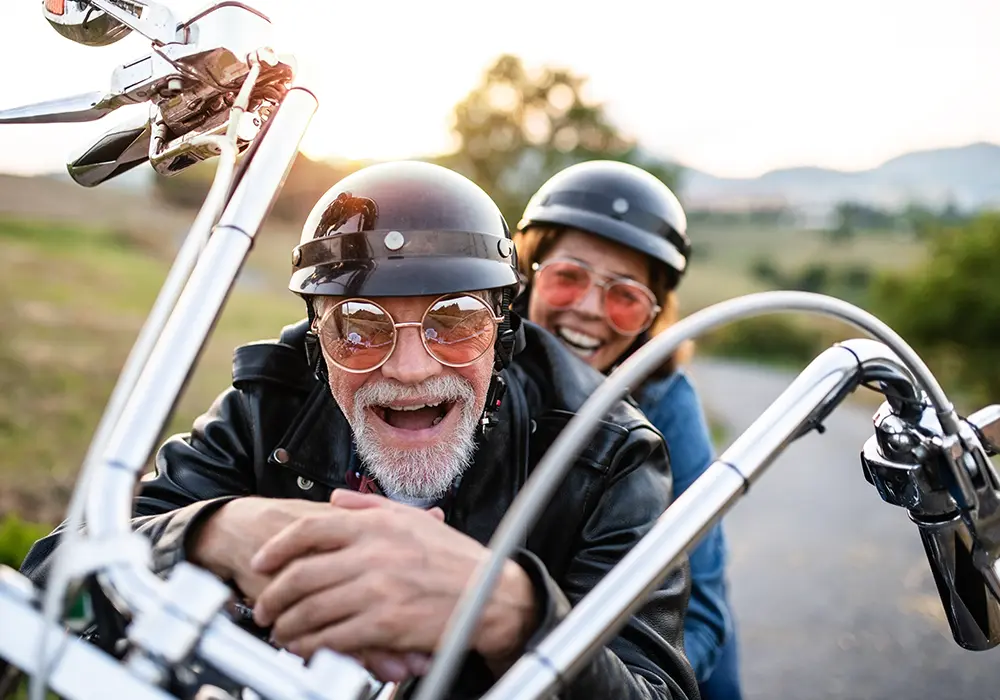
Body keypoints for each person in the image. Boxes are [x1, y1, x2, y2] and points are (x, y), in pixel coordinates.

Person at [21, 161, 699, 699]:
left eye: (455, 319)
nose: (408, 369)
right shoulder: (272, 402)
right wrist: (208, 533)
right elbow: (53, 582)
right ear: (318, 343)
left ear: (506, 333)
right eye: (359, 325)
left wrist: (515, 611)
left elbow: (656, 688)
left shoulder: (611, 455)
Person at [514, 160, 743, 700]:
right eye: (568, 278)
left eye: (624, 296)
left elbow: (700, 615)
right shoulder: (477, 367)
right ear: (528, 273)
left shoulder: (666, 403)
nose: (591, 310)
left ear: (653, 315)